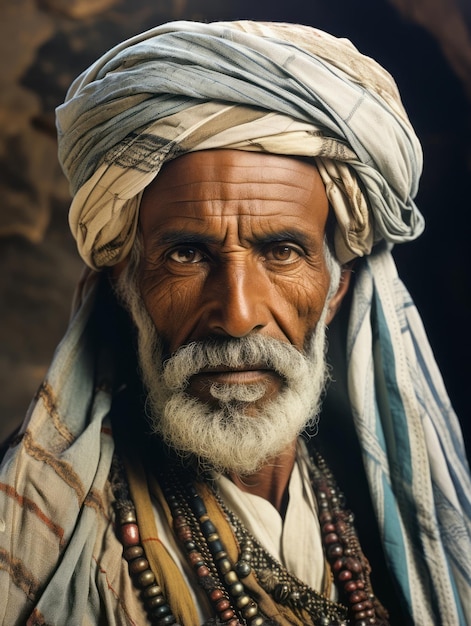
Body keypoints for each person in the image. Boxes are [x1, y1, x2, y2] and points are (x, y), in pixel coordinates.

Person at [0, 19, 469, 626]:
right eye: (187, 255)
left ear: (335, 291)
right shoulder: (46, 534)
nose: (238, 315)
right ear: (127, 286)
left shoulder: (389, 511)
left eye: (281, 252)